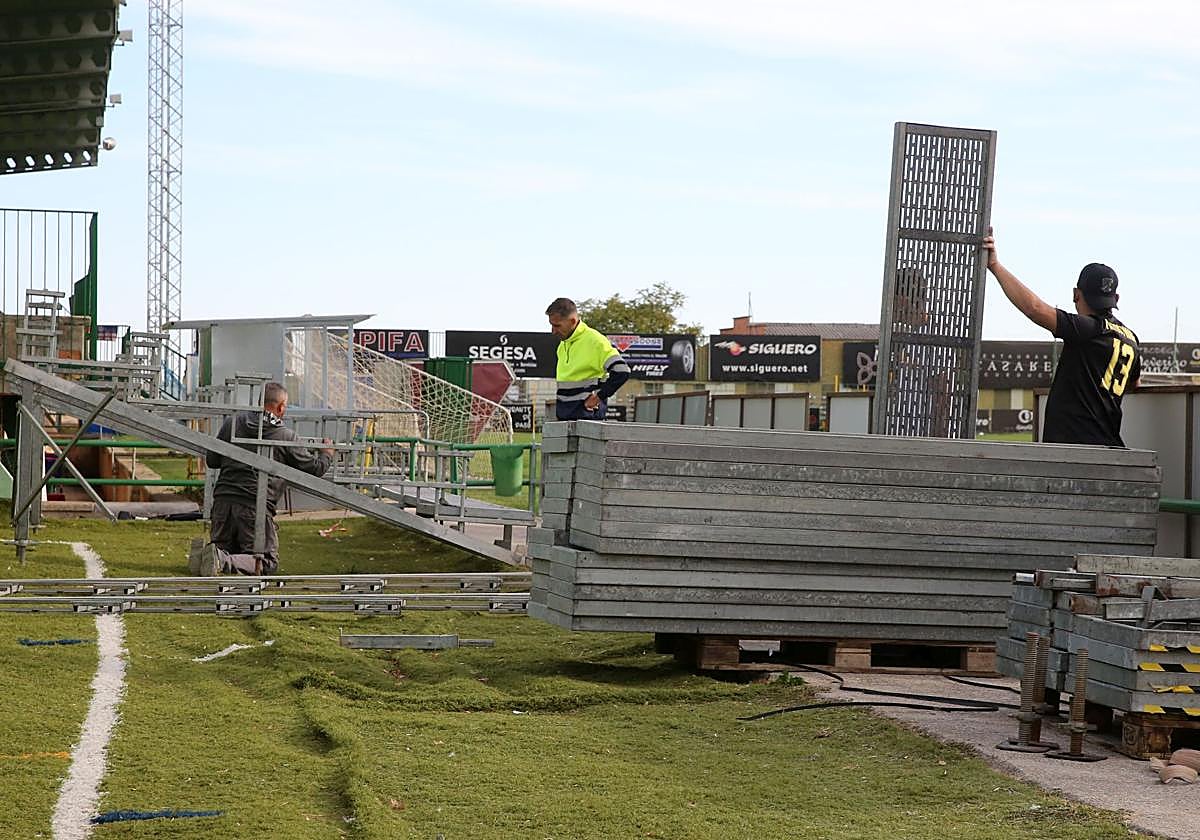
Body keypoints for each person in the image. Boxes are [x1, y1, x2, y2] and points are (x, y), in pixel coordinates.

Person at [983, 228, 1140, 446]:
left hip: (1078, 450)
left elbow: (1035, 309)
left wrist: (995, 266)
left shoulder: (1087, 329)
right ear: (1116, 298)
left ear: (1076, 294)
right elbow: (1135, 383)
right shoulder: (1131, 339)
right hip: (1110, 447)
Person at [190, 382, 334, 576]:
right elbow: (315, 468)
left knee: (226, 548)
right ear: (281, 407)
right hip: (254, 505)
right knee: (266, 562)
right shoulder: (284, 435)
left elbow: (213, 460)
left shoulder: (232, 423)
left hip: (223, 501)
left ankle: (209, 555)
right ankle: (220, 559)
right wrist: (327, 453)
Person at [545, 298, 631, 420]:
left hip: (589, 421)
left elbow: (622, 371)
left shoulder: (595, 341)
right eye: (551, 325)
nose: (553, 331)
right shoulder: (562, 345)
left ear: (573, 321)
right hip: (565, 419)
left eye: (557, 325)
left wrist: (598, 398)